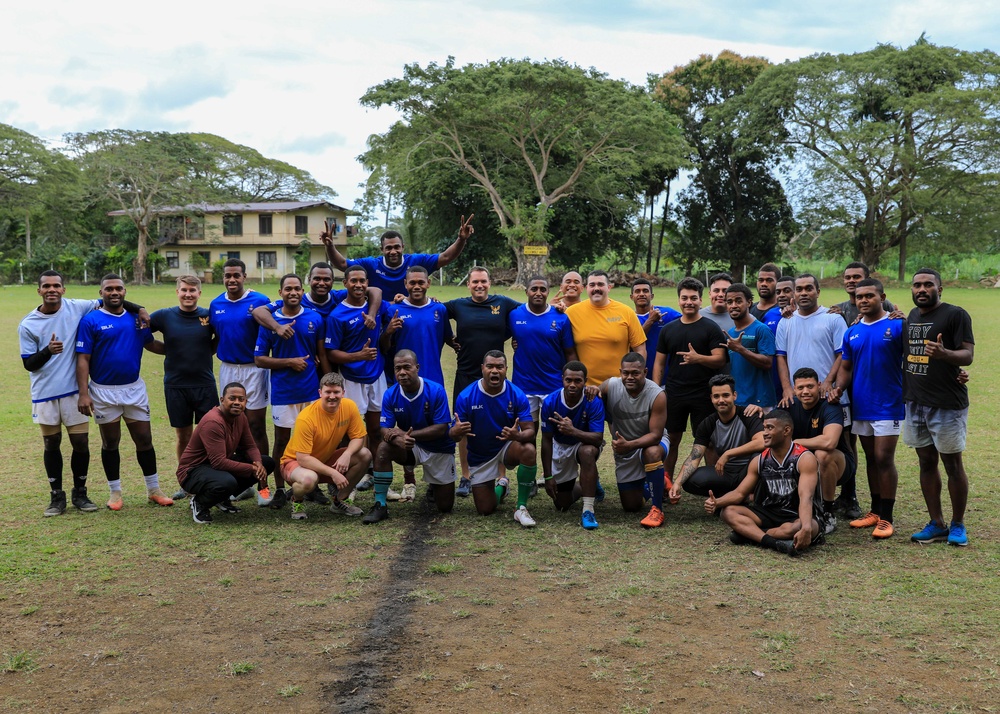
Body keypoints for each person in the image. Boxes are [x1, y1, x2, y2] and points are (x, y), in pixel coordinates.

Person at [19, 270, 145, 516]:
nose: (52, 290)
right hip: (45, 393)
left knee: (80, 443)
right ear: (39, 291)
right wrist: (47, 351)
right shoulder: (28, 324)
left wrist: (139, 308)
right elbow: (28, 364)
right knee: (51, 442)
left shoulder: (77, 307)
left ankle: (80, 492)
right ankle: (56, 497)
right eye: (46, 286)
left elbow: (112, 298)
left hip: (74, 392)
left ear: (64, 289)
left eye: (56, 285)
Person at [76, 274, 172, 510]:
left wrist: (181, 348)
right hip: (102, 391)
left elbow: (150, 344)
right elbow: (83, 358)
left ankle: (154, 489)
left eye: (118, 288)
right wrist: (83, 393)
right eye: (109, 289)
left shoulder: (135, 319)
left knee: (144, 439)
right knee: (111, 442)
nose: (114, 292)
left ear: (125, 292)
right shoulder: (90, 321)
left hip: (134, 389)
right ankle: (115, 493)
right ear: (101, 293)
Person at [903, 268, 975, 547]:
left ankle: (957, 524)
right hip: (915, 401)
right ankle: (936, 523)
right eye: (917, 285)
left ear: (939, 289)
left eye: (928, 285)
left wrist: (945, 354)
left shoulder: (956, 314)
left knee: (953, 465)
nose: (922, 289)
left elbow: (967, 355)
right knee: (925, 462)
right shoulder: (910, 316)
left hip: (946, 404)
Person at [834, 278, 904, 539]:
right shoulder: (852, 331)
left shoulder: (897, 325)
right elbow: (847, 367)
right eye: (859, 296)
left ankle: (887, 517)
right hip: (861, 405)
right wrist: (838, 389)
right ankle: (874, 511)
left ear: (882, 297)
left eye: (869, 296)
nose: (863, 300)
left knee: (885, 458)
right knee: (871, 459)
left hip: (888, 405)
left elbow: (913, 359)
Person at [445, 267, 521, 494]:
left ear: (490, 283)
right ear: (468, 284)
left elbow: (529, 312)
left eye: (483, 282)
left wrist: (516, 336)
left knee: (499, 424)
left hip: (495, 376)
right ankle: (466, 476)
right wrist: (449, 340)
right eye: (475, 282)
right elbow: (433, 311)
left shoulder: (503, 303)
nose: (479, 285)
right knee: (464, 425)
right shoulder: (458, 305)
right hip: (466, 373)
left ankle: (501, 478)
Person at [706, 409, 822, 556]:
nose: (764, 433)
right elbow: (740, 493)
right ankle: (773, 542)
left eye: (770, 428)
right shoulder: (759, 461)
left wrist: (806, 528)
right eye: (764, 427)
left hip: (798, 514)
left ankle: (750, 534)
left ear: (786, 430)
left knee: (799, 527)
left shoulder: (804, 458)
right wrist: (717, 502)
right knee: (728, 512)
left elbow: (806, 497)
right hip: (769, 513)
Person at [254, 274, 330, 497]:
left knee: (313, 442)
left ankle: (312, 486)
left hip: (310, 391)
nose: (293, 293)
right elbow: (259, 359)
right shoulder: (270, 323)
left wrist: (330, 381)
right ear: (280, 293)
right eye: (288, 289)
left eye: (297, 289)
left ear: (302, 291)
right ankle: (279, 488)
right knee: (282, 441)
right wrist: (289, 362)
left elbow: (321, 354)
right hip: (283, 392)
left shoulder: (315, 318)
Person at [367, 350, 457, 524]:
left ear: (417, 368)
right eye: (398, 368)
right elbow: (384, 429)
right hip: (410, 447)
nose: (402, 372)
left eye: (407, 367)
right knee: (384, 448)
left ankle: (435, 484)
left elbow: (441, 428)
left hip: (439, 448)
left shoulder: (436, 390)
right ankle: (380, 504)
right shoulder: (390, 394)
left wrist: (408, 435)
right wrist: (397, 439)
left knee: (445, 507)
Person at [652, 277, 727, 484]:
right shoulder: (669, 329)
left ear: (700, 300)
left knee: (709, 442)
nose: (689, 302)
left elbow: (720, 359)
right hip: (675, 392)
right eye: (684, 298)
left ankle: (715, 485)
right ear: (679, 300)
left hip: (703, 393)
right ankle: (666, 484)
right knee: (672, 439)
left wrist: (698, 358)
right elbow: (659, 363)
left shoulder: (710, 328)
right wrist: (656, 390)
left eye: (693, 298)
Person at [449, 351, 536, 525]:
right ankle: (501, 487)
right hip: (480, 455)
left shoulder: (517, 394)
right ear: (482, 369)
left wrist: (517, 435)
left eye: (499, 367)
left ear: (506, 369)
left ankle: (521, 508)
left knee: (528, 450)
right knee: (485, 509)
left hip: (506, 447)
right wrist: (456, 431)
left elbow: (530, 431)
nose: (494, 371)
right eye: (490, 366)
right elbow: (454, 437)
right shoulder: (466, 396)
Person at [508, 275, 576, 495]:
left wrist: (572, 381)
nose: (538, 292)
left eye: (543, 289)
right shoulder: (515, 315)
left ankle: (557, 477)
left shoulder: (560, 317)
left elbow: (570, 353)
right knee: (529, 435)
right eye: (534, 289)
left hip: (553, 387)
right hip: (524, 387)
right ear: (526, 291)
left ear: (548, 292)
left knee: (556, 435)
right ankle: (529, 482)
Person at [176, 383, 276, 524]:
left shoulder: (241, 417)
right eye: (232, 398)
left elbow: (250, 446)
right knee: (226, 482)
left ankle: (221, 499)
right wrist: (252, 468)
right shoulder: (213, 422)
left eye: (241, 399)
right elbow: (219, 462)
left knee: (267, 462)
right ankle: (199, 503)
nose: (237, 402)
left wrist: (258, 464)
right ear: (222, 400)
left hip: (215, 468)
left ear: (246, 402)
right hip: (192, 471)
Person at [326, 265, 392, 478]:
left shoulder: (376, 305)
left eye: (362, 281)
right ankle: (349, 478)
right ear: (344, 283)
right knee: (351, 433)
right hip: (352, 379)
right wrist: (358, 356)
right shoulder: (337, 315)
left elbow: (379, 293)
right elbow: (332, 353)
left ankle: (377, 478)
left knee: (376, 430)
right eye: (353, 281)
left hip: (376, 376)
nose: (358, 285)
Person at [147, 275, 219, 467]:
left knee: (209, 435)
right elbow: (143, 333)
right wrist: (167, 350)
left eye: (192, 290)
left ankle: (210, 477)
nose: (188, 294)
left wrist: (206, 351)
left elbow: (218, 339)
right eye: (184, 290)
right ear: (177, 291)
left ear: (199, 293)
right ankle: (185, 478)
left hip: (205, 384)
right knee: (183, 436)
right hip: (176, 385)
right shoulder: (164, 315)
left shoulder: (208, 316)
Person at [279, 372, 372, 520]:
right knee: (309, 479)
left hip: (323, 460)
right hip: (295, 463)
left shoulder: (349, 406)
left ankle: (339, 501)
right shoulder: (306, 417)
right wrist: (333, 473)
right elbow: (302, 458)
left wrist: (347, 454)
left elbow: (358, 437)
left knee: (364, 454)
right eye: (328, 392)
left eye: (336, 392)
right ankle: (297, 501)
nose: (332, 396)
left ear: (343, 393)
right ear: (320, 392)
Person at [321, 216, 474, 300]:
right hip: (379, 318)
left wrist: (461, 239)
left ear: (403, 247)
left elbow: (446, 257)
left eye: (396, 247)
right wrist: (329, 245)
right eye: (388, 248)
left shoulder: (415, 261)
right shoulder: (370, 264)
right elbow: (342, 264)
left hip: (408, 316)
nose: (393, 251)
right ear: (382, 249)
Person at [598, 352, 669, 528]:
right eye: (626, 373)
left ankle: (657, 510)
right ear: (620, 372)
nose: (630, 377)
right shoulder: (610, 386)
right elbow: (591, 399)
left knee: (651, 452)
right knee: (631, 506)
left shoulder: (657, 394)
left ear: (645, 372)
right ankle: (659, 481)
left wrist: (629, 445)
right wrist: (591, 390)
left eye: (635, 373)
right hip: (625, 449)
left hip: (651, 443)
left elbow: (656, 435)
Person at [669, 374, 764, 502]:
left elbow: (761, 442)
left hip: (749, 471)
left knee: (760, 459)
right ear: (711, 398)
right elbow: (694, 457)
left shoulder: (748, 415)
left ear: (734, 395)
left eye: (726, 395)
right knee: (690, 480)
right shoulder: (707, 423)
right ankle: (734, 496)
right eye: (716, 396)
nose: (721, 400)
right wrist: (677, 484)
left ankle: (744, 495)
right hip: (726, 473)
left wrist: (728, 454)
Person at [539, 361, 605, 530]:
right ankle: (589, 485)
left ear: (585, 381)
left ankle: (588, 509)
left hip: (584, 443)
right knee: (562, 504)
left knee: (588, 452)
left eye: (578, 381)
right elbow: (546, 440)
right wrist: (548, 476)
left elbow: (597, 439)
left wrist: (573, 431)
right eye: (569, 380)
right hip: (560, 445)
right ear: (562, 379)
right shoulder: (550, 402)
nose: (573, 385)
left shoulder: (593, 401)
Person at [775, 274, 847, 411]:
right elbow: (781, 357)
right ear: (794, 294)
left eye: (809, 289)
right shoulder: (785, 322)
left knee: (839, 432)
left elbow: (842, 355)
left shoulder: (833, 318)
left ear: (818, 292)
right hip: (798, 396)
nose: (803, 293)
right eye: (799, 289)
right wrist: (787, 388)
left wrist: (828, 381)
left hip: (828, 394)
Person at [566, 270, 646, 386]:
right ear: (586, 288)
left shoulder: (626, 312)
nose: (596, 288)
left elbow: (640, 349)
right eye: (592, 285)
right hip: (585, 387)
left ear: (609, 287)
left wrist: (636, 378)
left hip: (619, 386)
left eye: (601, 284)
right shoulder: (571, 313)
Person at [723, 283, 776, 409]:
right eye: (729, 302)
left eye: (738, 301)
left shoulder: (761, 329)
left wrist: (740, 349)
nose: (733, 305)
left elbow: (767, 363)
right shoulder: (730, 333)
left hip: (761, 402)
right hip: (738, 401)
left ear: (749, 303)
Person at [629, 278, 680, 383]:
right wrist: (651, 321)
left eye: (645, 291)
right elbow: (631, 344)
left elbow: (689, 321)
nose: (642, 294)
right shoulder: (628, 318)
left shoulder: (667, 313)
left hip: (667, 379)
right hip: (639, 380)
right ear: (631, 297)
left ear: (652, 296)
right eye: (637, 291)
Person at [828, 261, 896, 326]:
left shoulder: (881, 304)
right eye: (847, 278)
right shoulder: (839, 309)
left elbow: (895, 324)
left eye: (856, 277)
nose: (851, 280)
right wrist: (840, 319)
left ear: (868, 279)